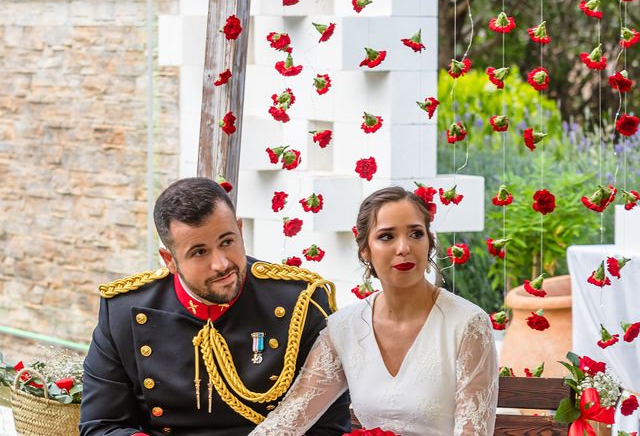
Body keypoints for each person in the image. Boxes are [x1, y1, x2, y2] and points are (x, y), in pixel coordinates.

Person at [79, 177, 351, 436]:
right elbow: (101, 425)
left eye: (227, 241)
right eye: (199, 252)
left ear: (240, 230)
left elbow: (327, 427)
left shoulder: (300, 302)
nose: (221, 263)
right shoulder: (123, 311)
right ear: (169, 259)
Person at [249, 186, 499, 436]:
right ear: (365, 251)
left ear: (429, 243)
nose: (404, 248)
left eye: (415, 234)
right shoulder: (344, 328)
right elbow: (286, 422)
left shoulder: (468, 324)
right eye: (387, 237)